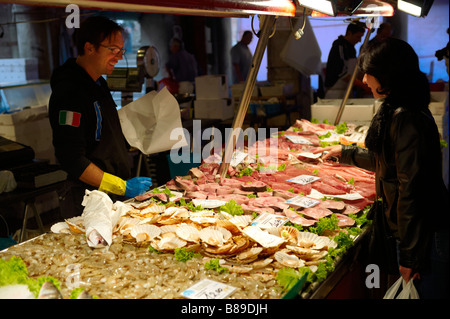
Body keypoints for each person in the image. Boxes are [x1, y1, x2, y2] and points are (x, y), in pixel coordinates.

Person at [316, 38, 449, 299]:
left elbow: (410, 189)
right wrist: (345, 153)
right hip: (418, 234)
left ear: (389, 74)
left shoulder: (406, 118)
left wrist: (410, 256)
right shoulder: (398, 109)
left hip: (426, 237)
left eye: (369, 72)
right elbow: (389, 162)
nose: (364, 80)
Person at [49, 16, 152, 217]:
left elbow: (103, 136)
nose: (119, 57)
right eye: (113, 50)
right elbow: (72, 158)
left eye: (121, 51)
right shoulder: (69, 92)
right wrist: (120, 186)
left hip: (111, 196)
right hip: (88, 200)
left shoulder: (98, 84)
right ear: (89, 48)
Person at [324, 21, 370, 98]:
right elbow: (342, 73)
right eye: (358, 37)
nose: (360, 40)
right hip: (335, 91)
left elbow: (354, 71)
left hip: (347, 90)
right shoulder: (339, 45)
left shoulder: (352, 49)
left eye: (361, 37)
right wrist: (363, 86)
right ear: (349, 33)